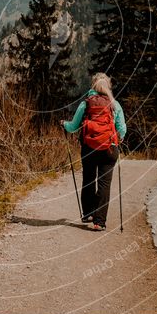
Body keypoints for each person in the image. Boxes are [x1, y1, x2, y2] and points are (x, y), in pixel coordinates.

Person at [61, 72, 126, 231]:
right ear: (108, 86)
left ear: (93, 86)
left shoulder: (85, 104)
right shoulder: (114, 104)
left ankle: (88, 213)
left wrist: (64, 124)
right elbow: (122, 129)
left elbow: (73, 126)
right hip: (109, 148)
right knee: (104, 183)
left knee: (89, 179)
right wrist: (119, 138)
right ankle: (99, 222)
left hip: (89, 149)